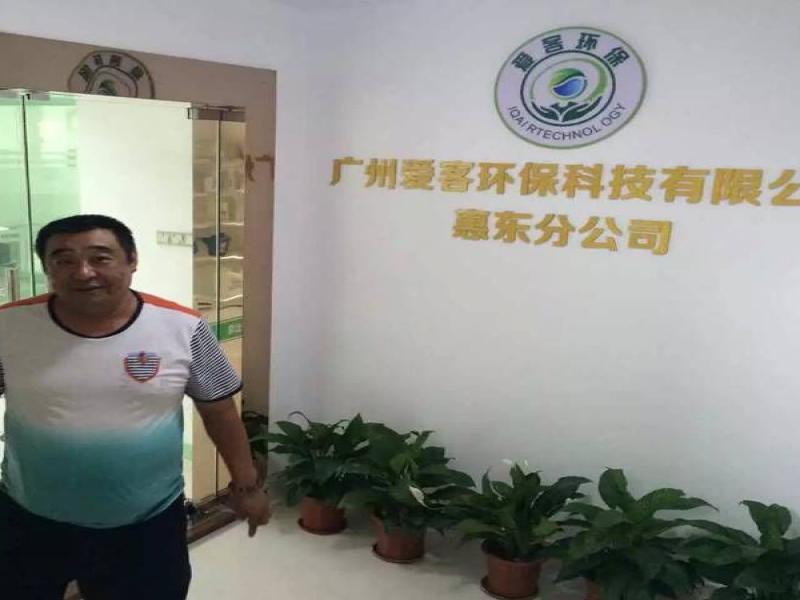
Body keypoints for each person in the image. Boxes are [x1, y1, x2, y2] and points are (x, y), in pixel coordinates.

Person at [0, 214, 270, 599]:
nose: (84, 272)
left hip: (146, 526)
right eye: (64, 260)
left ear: (132, 260)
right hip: (29, 521)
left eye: (100, 257)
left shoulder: (184, 326)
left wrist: (246, 486)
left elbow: (220, 410)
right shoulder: (8, 325)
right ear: (47, 269)